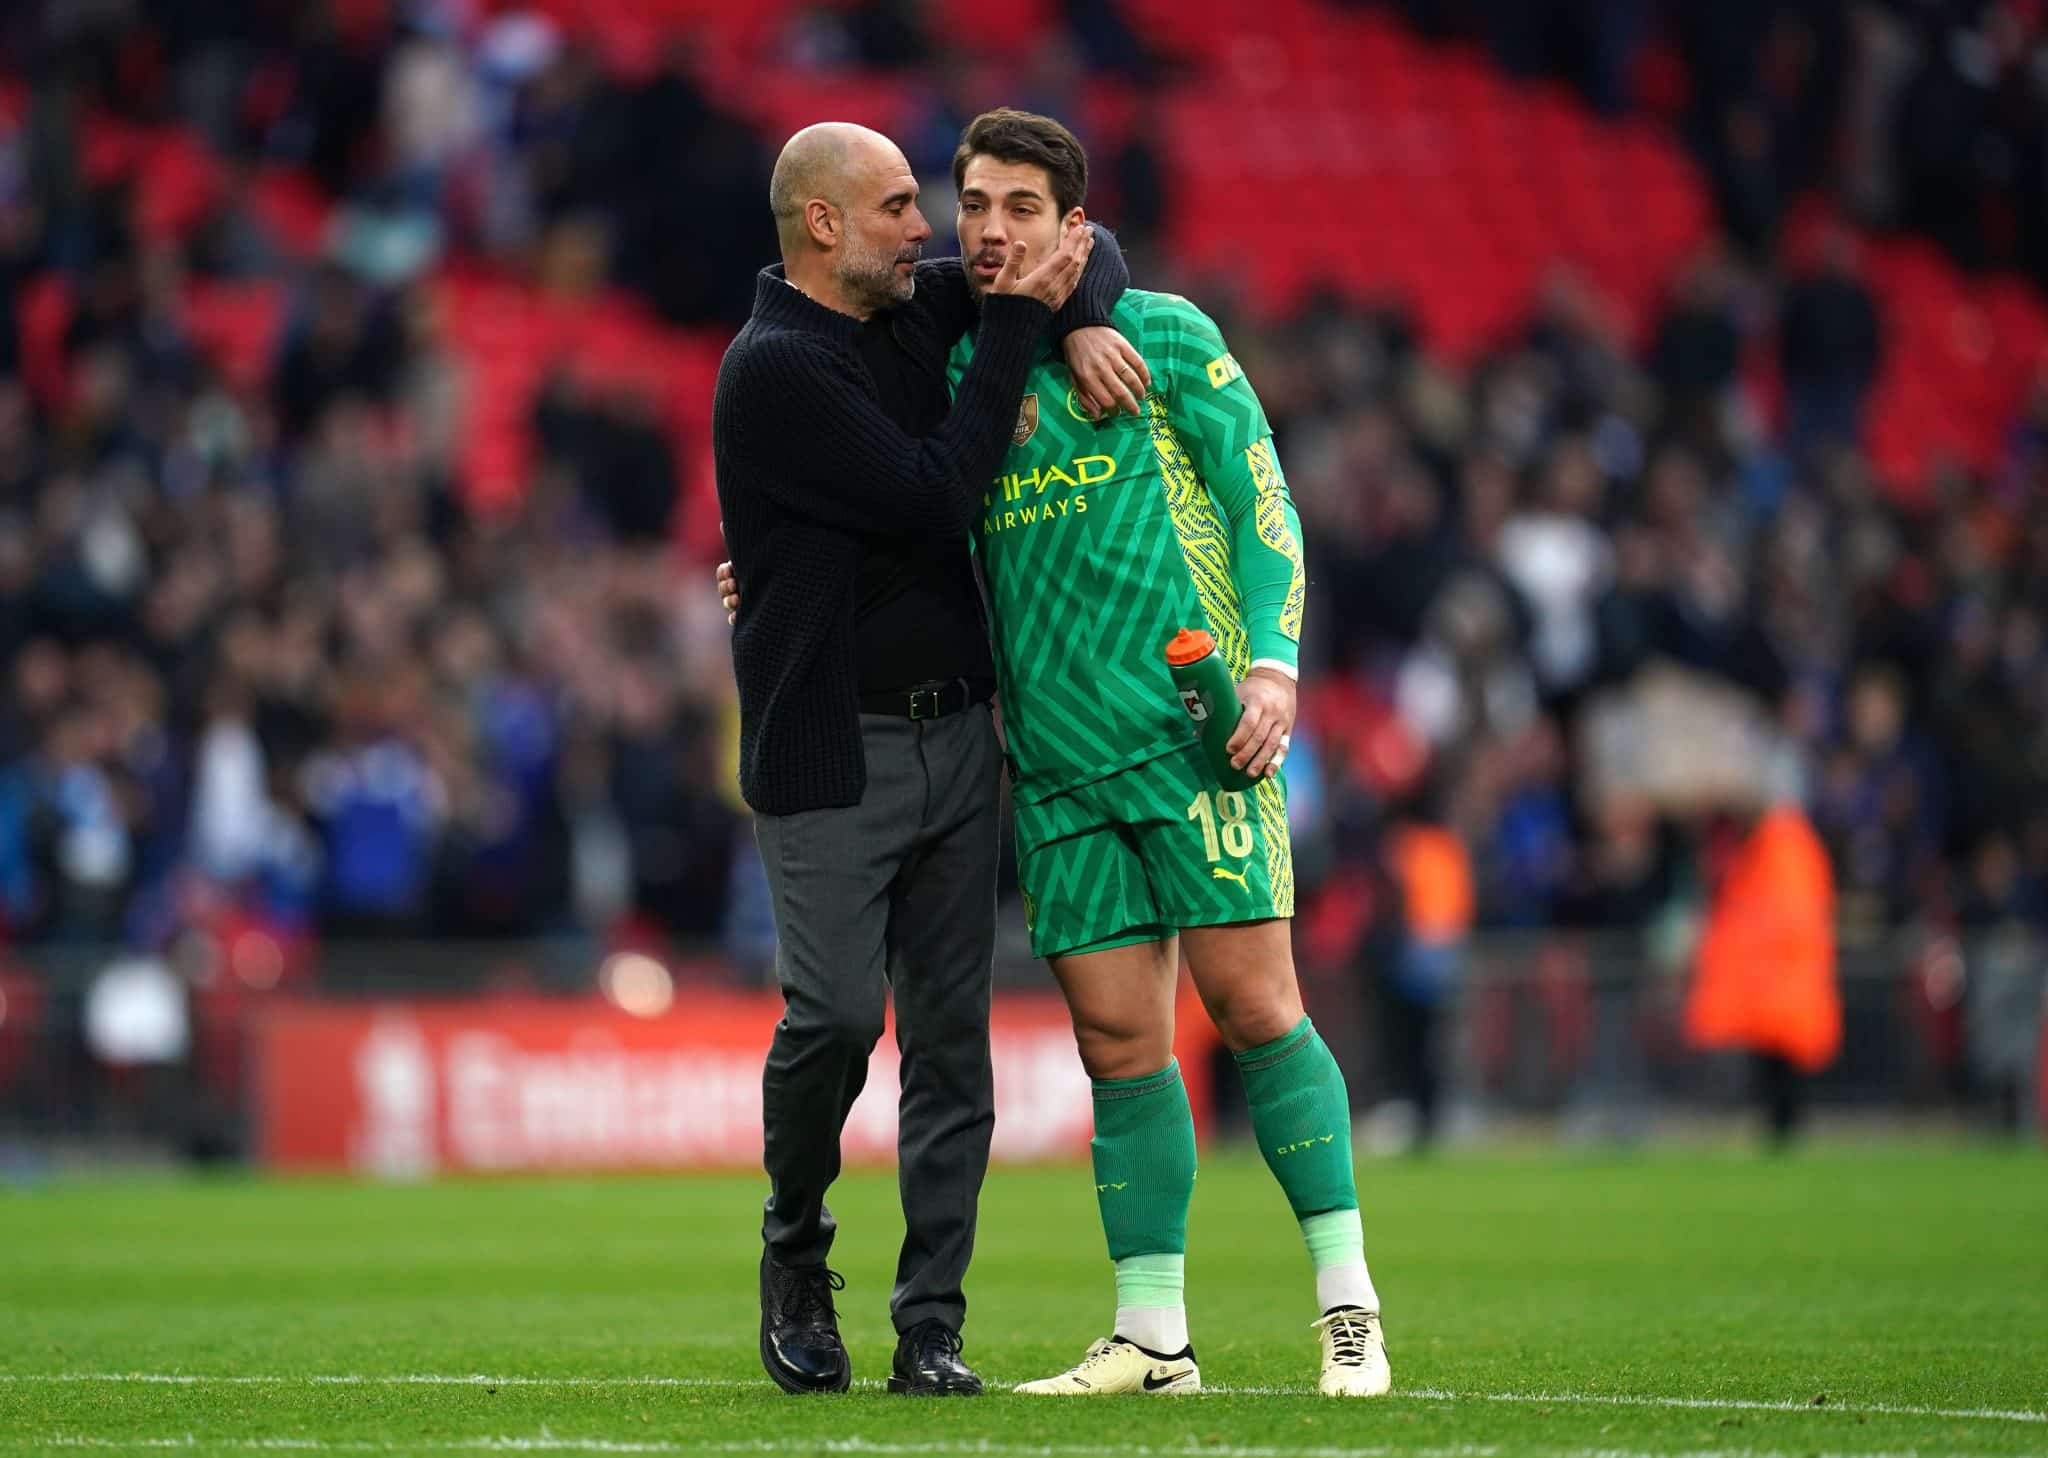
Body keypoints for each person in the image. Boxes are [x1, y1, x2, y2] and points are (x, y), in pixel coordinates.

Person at [724, 109, 1390, 1398]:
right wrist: (774, 569)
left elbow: (1262, 501)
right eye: (968, 204)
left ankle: (1346, 1306)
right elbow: (888, 490)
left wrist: (1270, 666)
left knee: (1257, 1010)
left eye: (1018, 208)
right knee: (1117, 1046)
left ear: (1072, 228)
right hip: (1047, 760)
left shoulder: (1162, 334)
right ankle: (1151, 1335)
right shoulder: (950, 353)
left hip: (1191, 738)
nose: (981, 231)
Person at [713, 120, 1147, 1400]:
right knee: (837, 1017)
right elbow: (929, 493)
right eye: (901, 206)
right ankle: (795, 1247)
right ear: (824, 225)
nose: (932, 232)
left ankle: (930, 1328)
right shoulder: (774, 369)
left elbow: (1088, 248)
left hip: (958, 734)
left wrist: (1074, 318)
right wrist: (1019, 330)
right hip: (829, 746)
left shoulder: (911, 309)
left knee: (952, 1047)